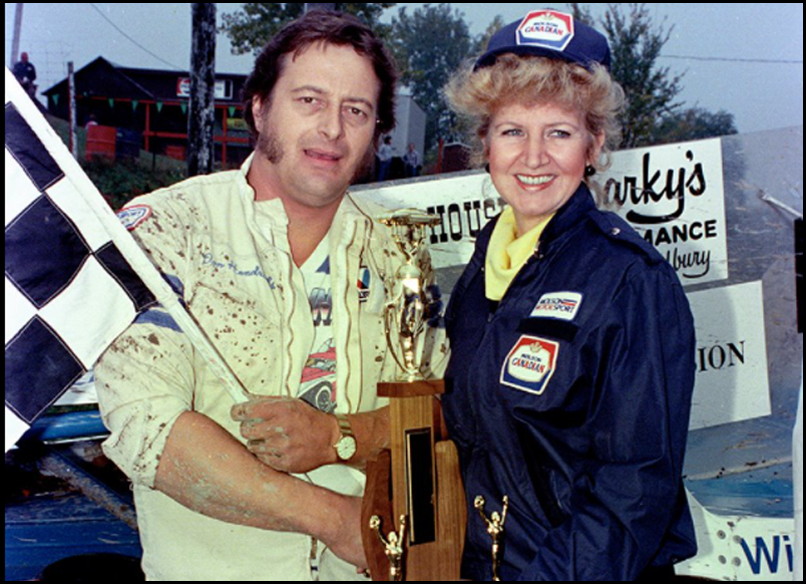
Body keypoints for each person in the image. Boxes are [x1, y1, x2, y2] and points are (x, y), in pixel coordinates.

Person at [95, 11, 443, 581]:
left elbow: (438, 411)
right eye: (309, 100)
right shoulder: (168, 228)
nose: (332, 129)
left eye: (356, 110)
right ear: (259, 108)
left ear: (376, 130)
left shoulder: (399, 249)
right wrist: (334, 519)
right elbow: (146, 426)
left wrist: (339, 437)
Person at [441, 9, 697, 581]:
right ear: (485, 143)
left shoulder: (631, 280)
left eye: (558, 132)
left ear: (593, 144)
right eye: (512, 131)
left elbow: (633, 491)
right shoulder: (483, 270)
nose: (533, 157)